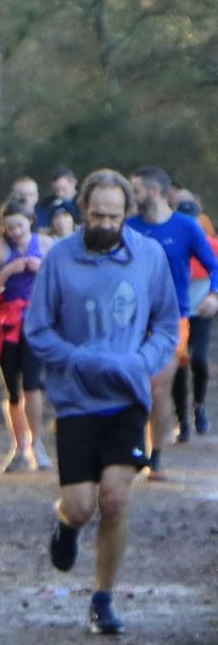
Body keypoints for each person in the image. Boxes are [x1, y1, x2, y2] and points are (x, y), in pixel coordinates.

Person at [25, 170, 179, 635]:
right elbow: (38, 329)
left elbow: (166, 326)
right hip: (75, 402)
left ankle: (102, 598)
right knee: (81, 504)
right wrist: (78, 360)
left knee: (114, 499)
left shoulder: (148, 257)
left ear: (127, 214)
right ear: (82, 211)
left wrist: (140, 362)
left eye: (114, 216)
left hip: (127, 400)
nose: (105, 223)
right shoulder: (60, 260)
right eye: (96, 215)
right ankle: (66, 525)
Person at [126, 167, 218, 477]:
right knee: (133, 384)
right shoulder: (129, 227)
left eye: (136, 190)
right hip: (133, 318)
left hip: (172, 318)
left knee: (159, 386)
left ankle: (156, 457)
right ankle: (134, 445)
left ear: (154, 192)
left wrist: (214, 295)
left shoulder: (186, 227)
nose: (132, 196)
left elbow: (214, 265)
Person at [0, 201, 53, 473]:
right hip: (7, 322)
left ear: (30, 222)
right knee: (11, 389)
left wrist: (39, 267)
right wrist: (8, 271)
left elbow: (61, 281)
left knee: (32, 385)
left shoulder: (45, 244)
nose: (15, 232)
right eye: (9, 227)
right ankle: (18, 445)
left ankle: (37, 443)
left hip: (34, 322)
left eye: (19, 225)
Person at [171, 199, 216, 441]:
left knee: (198, 359)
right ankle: (182, 420)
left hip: (201, 313)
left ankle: (198, 406)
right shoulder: (172, 244)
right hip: (178, 313)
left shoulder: (211, 246)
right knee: (179, 363)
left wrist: (214, 296)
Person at [35, 167, 80, 231]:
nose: (60, 194)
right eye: (56, 190)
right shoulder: (47, 203)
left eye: (63, 189)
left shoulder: (83, 200)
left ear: (73, 183)